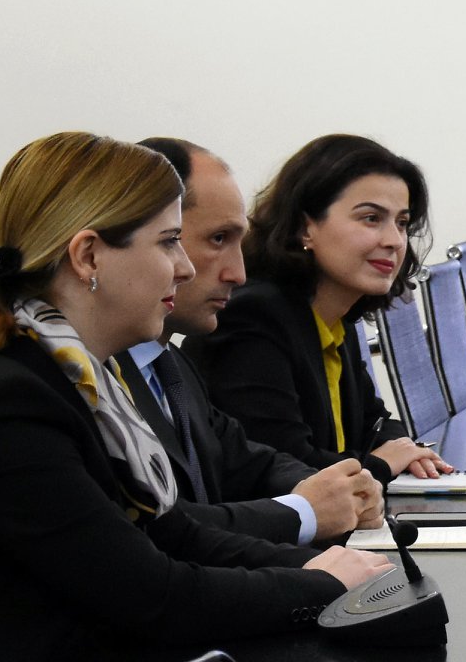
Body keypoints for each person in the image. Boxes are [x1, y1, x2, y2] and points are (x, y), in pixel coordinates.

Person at [0, 132, 391, 662]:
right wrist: (319, 587)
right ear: (89, 257)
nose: (185, 267)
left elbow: (175, 534)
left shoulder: (79, 379)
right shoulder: (8, 407)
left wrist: (325, 563)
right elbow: (153, 595)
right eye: (169, 242)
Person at [114, 138, 383, 545]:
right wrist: (307, 512)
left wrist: (340, 489)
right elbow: (162, 530)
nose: (238, 274)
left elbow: (247, 460)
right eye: (218, 239)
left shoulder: (169, 363)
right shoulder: (88, 379)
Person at [185, 134, 451, 482]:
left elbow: (376, 422)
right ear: (305, 227)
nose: (394, 241)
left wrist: (402, 449)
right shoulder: (253, 317)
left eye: (401, 223)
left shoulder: (333, 317)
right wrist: (382, 464)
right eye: (371, 218)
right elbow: (286, 466)